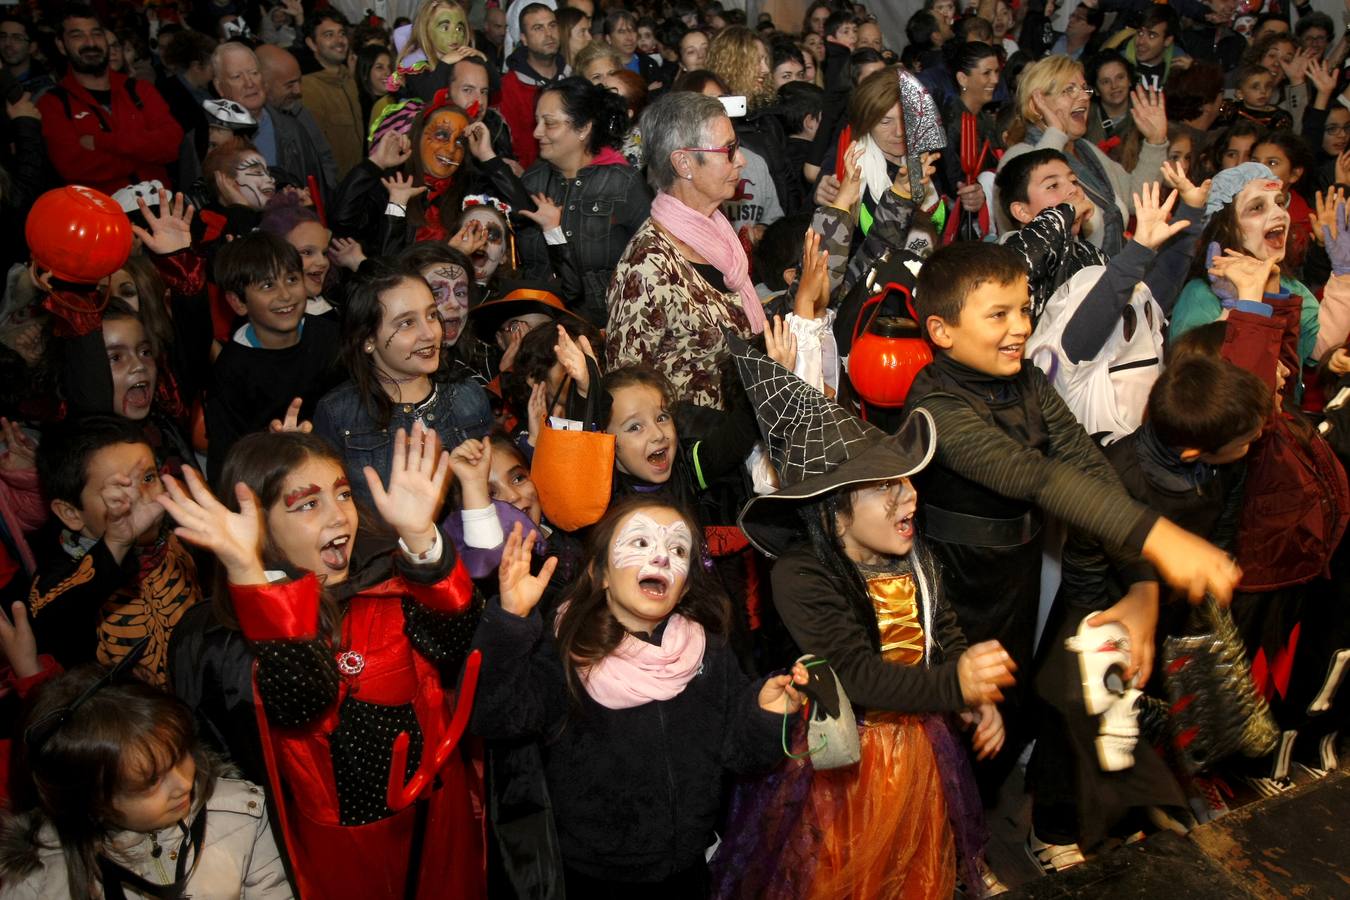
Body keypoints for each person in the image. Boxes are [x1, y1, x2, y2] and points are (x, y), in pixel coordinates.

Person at [904, 240, 1244, 827]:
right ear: (942, 330)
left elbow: (1089, 471)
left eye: (1023, 309)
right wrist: (1159, 538)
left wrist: (1140, 583)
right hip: (949, 597)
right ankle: (938, 842)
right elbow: (1034, 476)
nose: (1020, 328)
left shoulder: (1030, 383)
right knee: (950, 726)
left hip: (1015, 582)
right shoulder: (935, 406)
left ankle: (975, 830)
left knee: (1002, 717)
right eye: (999, 315)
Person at [709, 341, 1011, 898]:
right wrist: (953, 684)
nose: (911, 496)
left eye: (908, 478)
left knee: (915, 868)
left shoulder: (912, 551)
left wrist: (973, 695)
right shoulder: (801, 577)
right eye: (887, 485)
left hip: (918, 747)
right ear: (833, 509)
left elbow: (940, 629)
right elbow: (854, 672)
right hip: (842, 766)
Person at [155, 425, 484, 900]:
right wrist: (251, 576)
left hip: (439, 820)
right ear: (259, 526)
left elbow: (458, 642)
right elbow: (304, 699)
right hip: (344, 849)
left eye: (343, 494)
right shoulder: (226, 640)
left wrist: (419, 537)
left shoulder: (388, 579)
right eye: (307, 504)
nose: (339, 515)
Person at [470, 497, 802, 895]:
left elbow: (739, 752)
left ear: (685, 587)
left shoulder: (707, 651)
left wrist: (767, 713)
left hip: (687, 868)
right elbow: (494, 717)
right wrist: (510, 620)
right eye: (641, 543)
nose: (661, 558)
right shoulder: (568, 651)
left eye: (677, 549)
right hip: (594, 877)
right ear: (602, 573)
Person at [0, 662, 291, 898]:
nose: (184, 784)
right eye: (151, 782)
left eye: (180, 755)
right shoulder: (38, 881)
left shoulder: (244, 813)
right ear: (93, 801)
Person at [607, 92, 763, 410]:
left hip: (741, 438)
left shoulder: (718, 234)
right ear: (684, 163)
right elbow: (626, 397)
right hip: (692, 452)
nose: (742, 159)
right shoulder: (647, 265)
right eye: (729, 150)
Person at [29, 416, 201, 687]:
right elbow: (51, 622)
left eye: (148, 478)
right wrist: (116, 543)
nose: (140, 497)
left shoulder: (179, 539)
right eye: (117, 493)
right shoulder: (57, 580)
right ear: (71, 513)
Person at [312, 261, 493, 509]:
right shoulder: (338, 413)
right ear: (367, 340)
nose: (430, 333)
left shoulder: (468, 395)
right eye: (406, 323)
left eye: (431, 315)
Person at [473, 76, 649, 327]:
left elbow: (651, 262)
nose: (537, 132)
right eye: (537, 122)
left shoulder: (622, 182)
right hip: (544, 323)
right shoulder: (534, 179)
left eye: (550, 123)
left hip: (607, 327)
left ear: (583, 128)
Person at [1171, 162, 1350, 375]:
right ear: (1228, 226)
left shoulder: (1290, 287)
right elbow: (1198, 380)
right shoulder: (1201, 295)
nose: (1279, 214)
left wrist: (1344, 274)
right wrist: (1234, 310)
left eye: (1280, 203)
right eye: (1257, 207)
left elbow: (1319, 349)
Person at [999, 55, 1169, 255]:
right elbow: (1051, 222)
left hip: (1109, 275)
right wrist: (1056, 133)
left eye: (1084, 88)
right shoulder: (1018, 156)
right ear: (1037, 105)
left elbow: (1135, 199)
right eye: (1069, 90)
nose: (1084, 97)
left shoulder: (1086, 150)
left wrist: (1155, 141)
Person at [205, 232, 342, 482]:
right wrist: (269, 448)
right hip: (271, 481)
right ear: (238, 302)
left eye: (291, 279)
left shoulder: (331, 337)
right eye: (268, 286)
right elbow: (225, 461)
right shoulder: (232, 370)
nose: (285, 295)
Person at [37, 4, 183, 194]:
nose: (90, 43)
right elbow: (76, 168)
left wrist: (101, 142)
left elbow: (171, 145)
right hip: (100, 216)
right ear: (61, 45)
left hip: (162, 210)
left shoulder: (139, 89)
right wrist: (145, 154)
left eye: (97, 34)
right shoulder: (52, 103)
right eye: (77, 35)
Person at [214, 42, 338, 196]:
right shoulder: (207, 141)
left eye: (254, 73)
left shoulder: (294, 128)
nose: (249, 83)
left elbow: (318, 190)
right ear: (219, 87)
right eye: (237, 76)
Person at [939, 42, 1003, 238]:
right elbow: (953, 184)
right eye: (987, 73)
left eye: (997, 72)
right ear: (962, 78)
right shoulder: (949, 122)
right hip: (960, 223)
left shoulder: (985, 119)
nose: (995, 79)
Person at [301, 8, 364, 180]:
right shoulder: (308, 89)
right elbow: (316, 152)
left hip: (360, 183)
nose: (339, 40)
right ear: (312, 44)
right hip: (336, 191)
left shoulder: (349, 79)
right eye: (329, 35)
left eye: (341, 33)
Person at [501, 3, 564, 169]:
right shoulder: (510, 87)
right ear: (524, 38)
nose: (549, 34)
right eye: (538, 28)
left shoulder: (572, 77)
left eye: (552, 25)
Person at [356, 43, 394, 131]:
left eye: (390, 67)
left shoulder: (399, 100)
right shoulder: (359, 109)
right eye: (379, 67)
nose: (388, 72)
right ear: (365, 73)